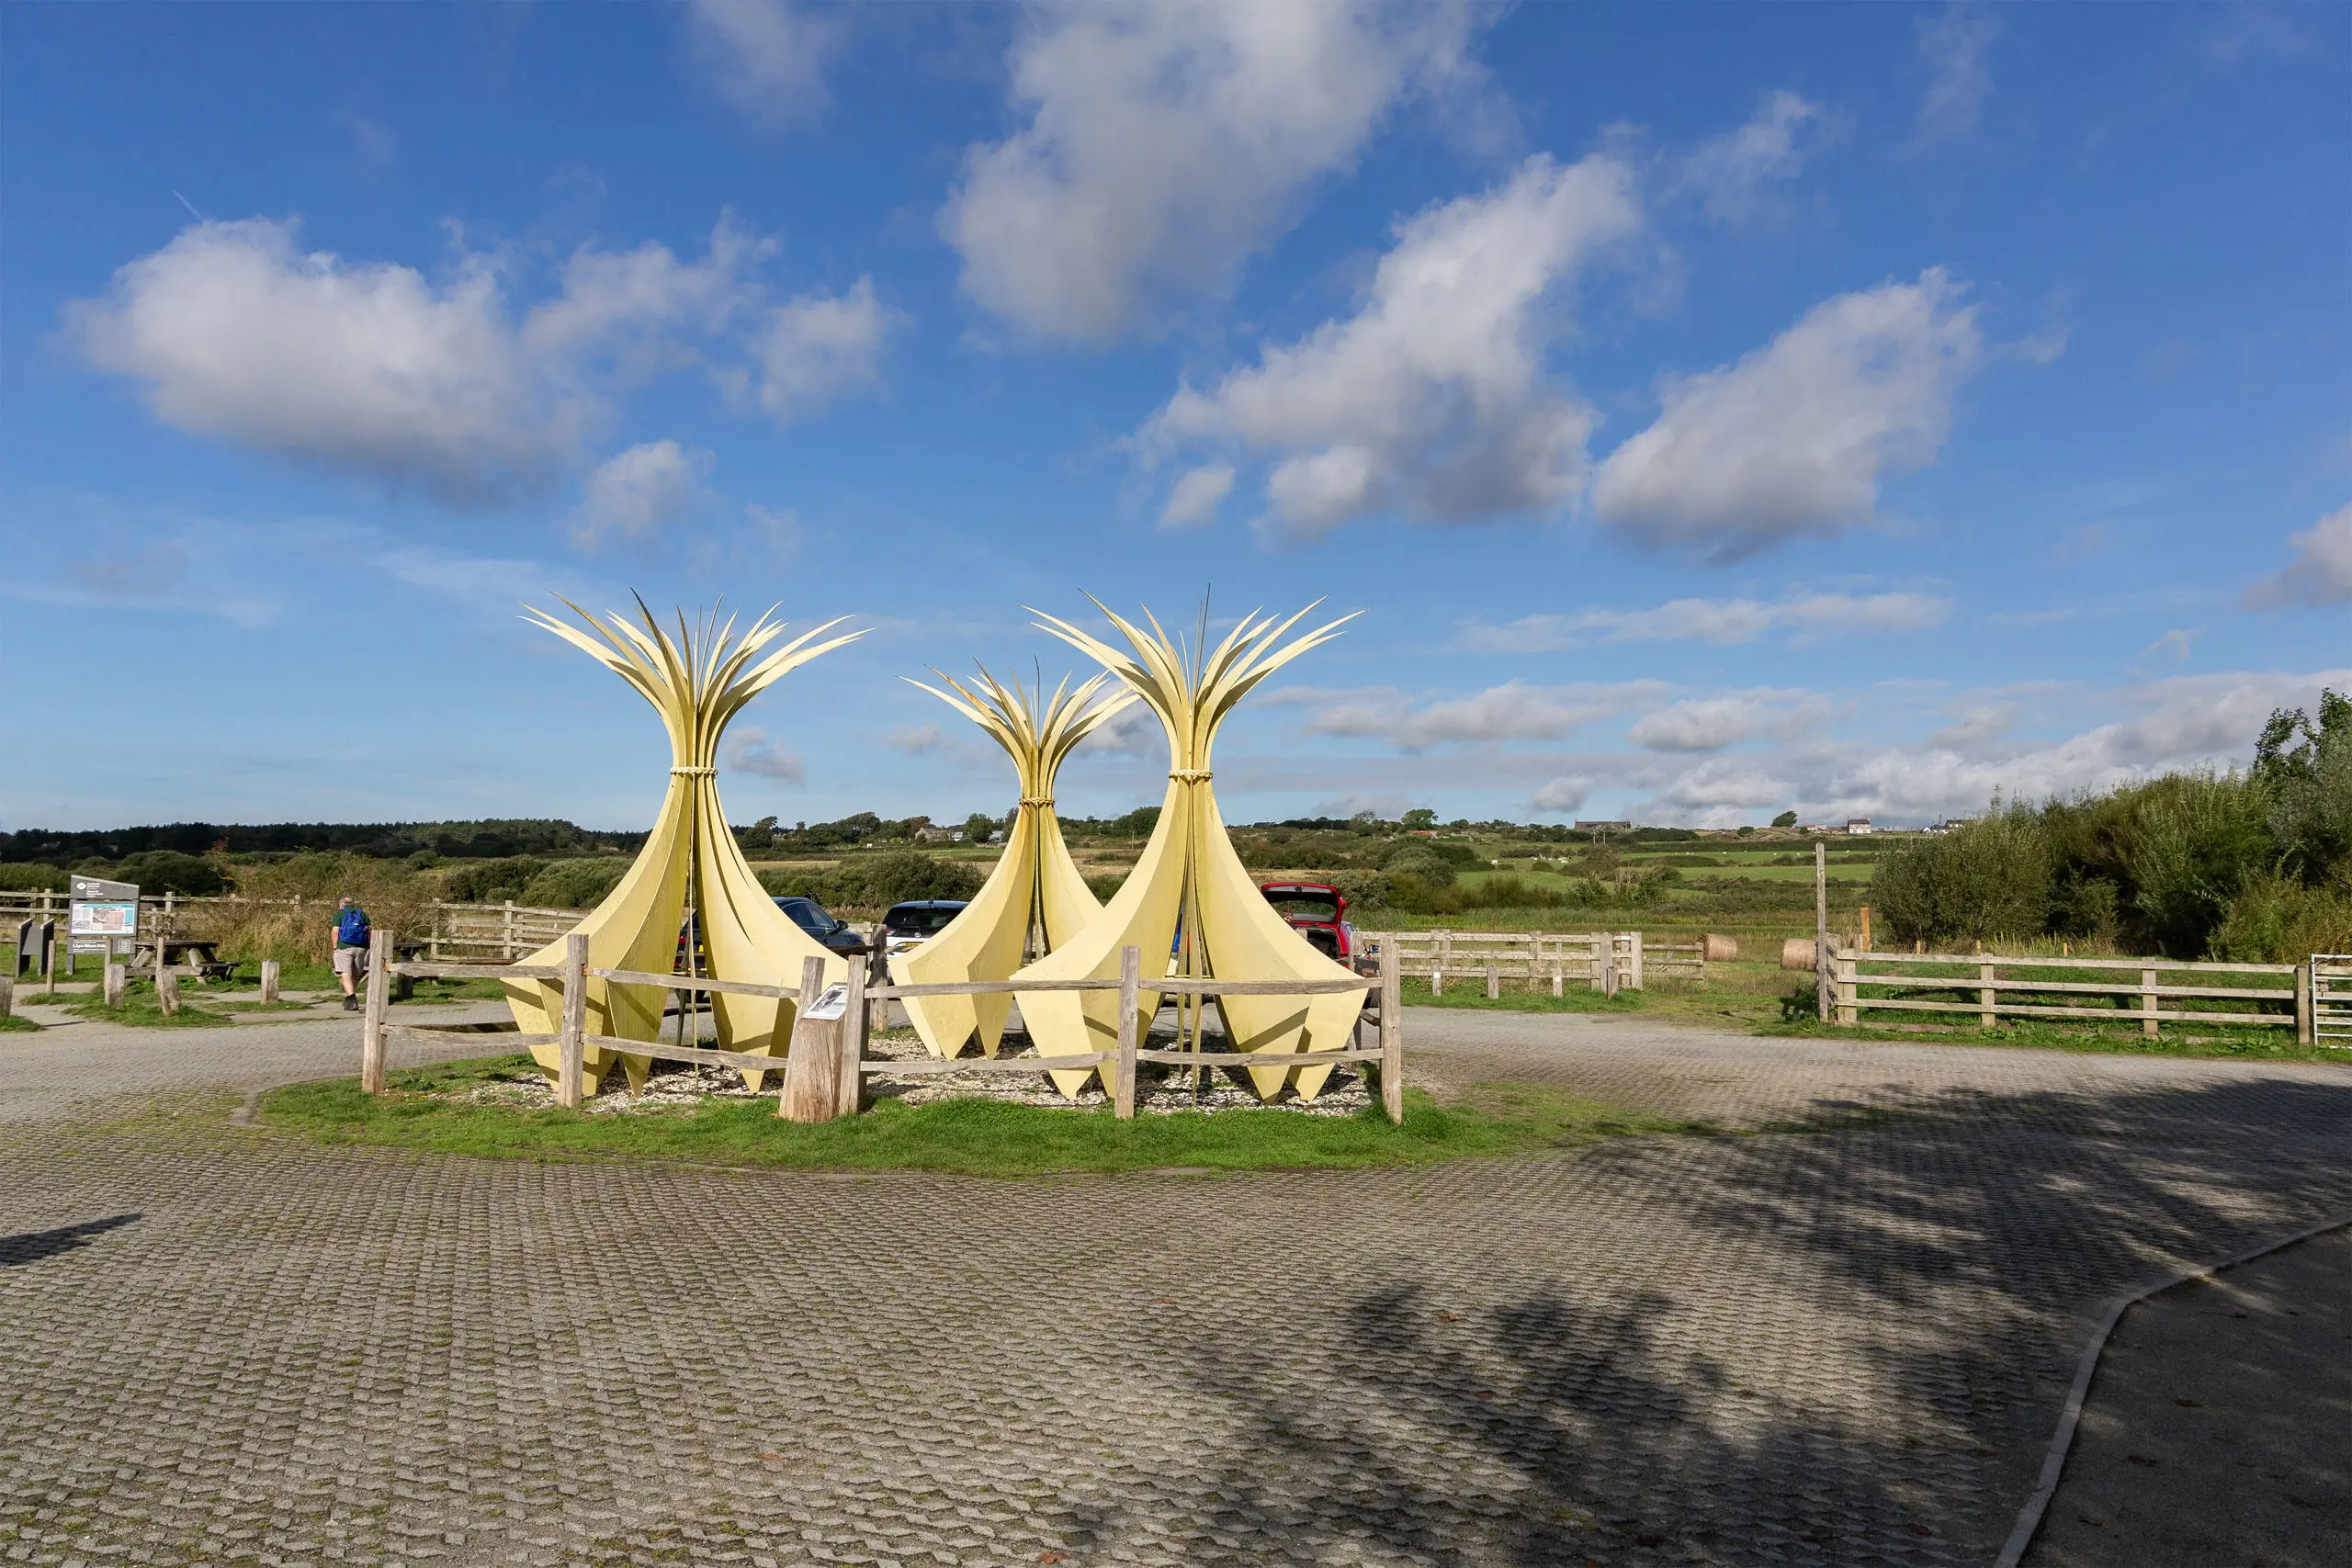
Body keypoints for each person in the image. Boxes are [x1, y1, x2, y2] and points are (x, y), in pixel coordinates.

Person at [332, 896, 372, 1011]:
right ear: (353, 904)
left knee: (345, 973)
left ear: (341, 905)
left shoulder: (339, 914)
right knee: (355, 973)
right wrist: (369, 946)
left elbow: (335, 932)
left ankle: (352, 998)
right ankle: (350, 1000)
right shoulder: (362, 914)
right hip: (361, 947)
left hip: (344, 947)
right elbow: (369, 931)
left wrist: (335, 947)